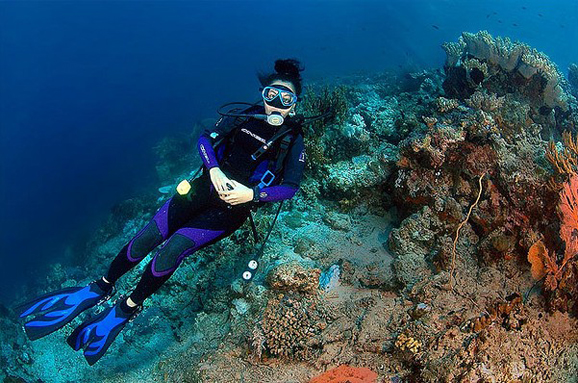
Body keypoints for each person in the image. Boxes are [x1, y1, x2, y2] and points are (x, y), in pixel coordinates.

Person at [16, 58, 307, 365]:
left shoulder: (292, 139)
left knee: (172, 251)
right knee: (147, 238)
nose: (276, 104)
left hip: (231, 211)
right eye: (271, 95)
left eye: (286, 99)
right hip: (203, 188)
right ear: (262, 94)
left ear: (294, 105)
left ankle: (127, 306)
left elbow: (289, 187)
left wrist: (252, 193)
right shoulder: (241, 116)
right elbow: (205, 140)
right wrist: (215, 170)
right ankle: (100, 286)